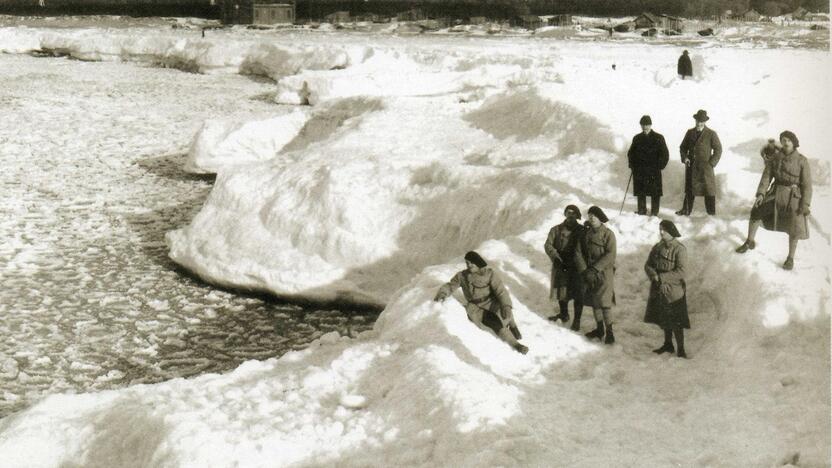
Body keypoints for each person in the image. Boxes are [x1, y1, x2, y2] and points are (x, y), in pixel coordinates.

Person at [735, 131, 812, 270]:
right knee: (756, 211)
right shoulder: (775, 158)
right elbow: (766, 176)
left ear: (794, 143)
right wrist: (761, 194)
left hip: (793, 196)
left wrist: (805, 204)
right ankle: (749, 241)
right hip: (775, 193)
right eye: (783, 140)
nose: (785, 143)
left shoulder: (802, 160)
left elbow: (807, 185)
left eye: (788, 140)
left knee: (795, 225)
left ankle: (790, 258)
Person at [434, 251, 529, 354]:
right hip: (476, 307)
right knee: (496, 324)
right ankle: (516, 345)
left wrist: (506, 306)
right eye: (467, 263)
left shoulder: (489, 274)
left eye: (471, 263)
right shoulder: (462, 276)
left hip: (491, 302)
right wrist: (443, 293)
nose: (469, 265)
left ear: (478, 262)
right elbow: (450, 286)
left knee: (505, 313)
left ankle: (513, 327)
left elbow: (501, 291)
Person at [644, 220, 690, 358]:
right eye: (660, 229)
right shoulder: (657, 247)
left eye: (664, 230)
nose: (661, 232)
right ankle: (668, 344)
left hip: (674, 289)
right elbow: (648, 265)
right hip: (659, 288)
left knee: (677, 320)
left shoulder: (680, 249)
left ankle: (681, 349)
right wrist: (653, 275)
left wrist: (662, 277)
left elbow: (682, 272)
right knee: (663, 317)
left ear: (671, 232)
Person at [574, 206, 617, 344]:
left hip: (604, 273)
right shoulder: (586, 234)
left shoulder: (608, 234)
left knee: (604, 303)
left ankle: (609, 332)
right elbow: (578, 252)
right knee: (594, 303)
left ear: (600, 218)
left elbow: (610, 255)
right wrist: (585, 271)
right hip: (589, 274)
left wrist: (595, 269)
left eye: (594, 215)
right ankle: (599, 329)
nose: (591, 218)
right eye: (589, 215)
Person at [544, 205, 585, 330]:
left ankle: (577, 320)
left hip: (577, 265)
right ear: (565, 214)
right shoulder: (556, 229)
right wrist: (555, 257)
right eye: (568, 212)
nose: (570, 215)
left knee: (578, 292)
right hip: (561, 263)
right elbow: (548, 245)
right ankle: (564, 314)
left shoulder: (582, 230)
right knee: (562, 290)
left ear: (577, 215)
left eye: (573, 213)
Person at [677, 109, 722, 216]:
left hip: (706, 168)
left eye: (701, 121)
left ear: (705, 121)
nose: (699, 123)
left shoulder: (711, 134)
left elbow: (718, 149)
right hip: (691, 166)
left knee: (709, 191)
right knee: (690, 191)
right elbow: (683, 147)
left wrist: (711, 163)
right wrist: (685, 158)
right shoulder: (690, 132)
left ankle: (711, 214)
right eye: (697, 121)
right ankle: (686, 210)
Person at [628, 115, 670, 216]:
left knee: (655, 192)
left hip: (653, 170)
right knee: (640, 191)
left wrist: (660, 166)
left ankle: (655, 212)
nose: (645, 127)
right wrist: (632, 165)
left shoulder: (659, 137)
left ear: (650, 125)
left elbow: (665, 154)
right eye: (643, 125)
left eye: (647, 125)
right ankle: (642, 210)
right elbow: (631, 153)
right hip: (640, 170)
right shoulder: (637, 138)